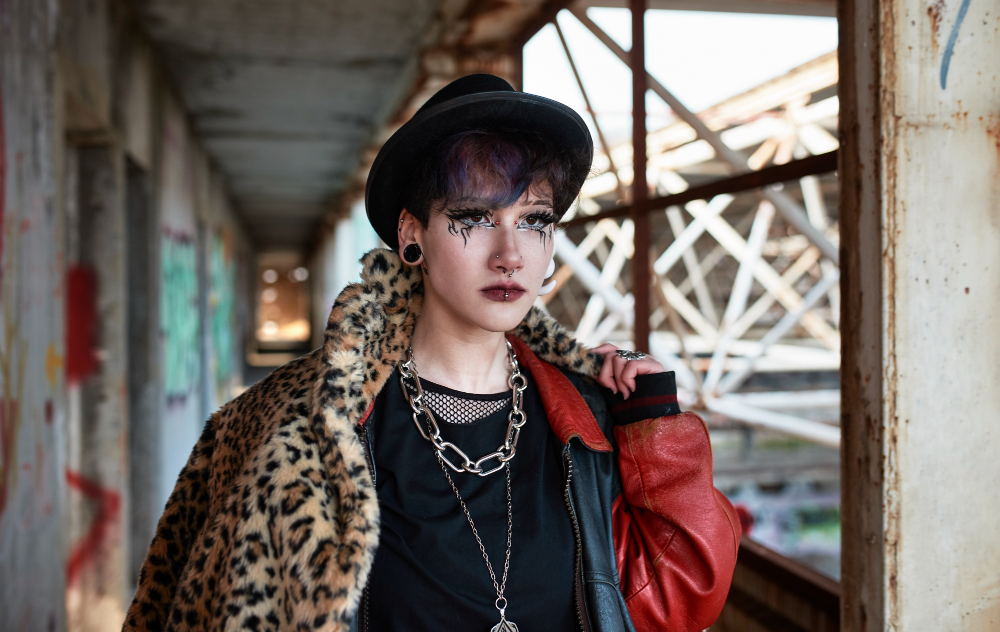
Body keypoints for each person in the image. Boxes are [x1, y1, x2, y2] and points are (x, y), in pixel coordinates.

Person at [123, 74, 740, 632]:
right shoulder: (302, 428)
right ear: (411, 234)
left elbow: (680, 595)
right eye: (474, 217)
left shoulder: (586, 415)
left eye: (534, 220)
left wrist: (651, 421)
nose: (510, 255)